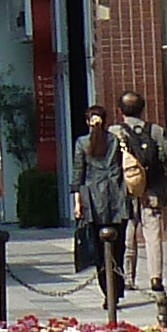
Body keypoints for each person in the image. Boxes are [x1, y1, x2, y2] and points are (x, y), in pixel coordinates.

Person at [109, 89, 167, 308]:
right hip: (153, 190)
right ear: (143, 109)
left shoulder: (115, 132)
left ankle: (128, 276)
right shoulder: (155, 130)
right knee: (153, 236)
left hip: (126, 192)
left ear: (120, 111)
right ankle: (156, 279)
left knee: (128, 233)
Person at [73, 104, 131, 317]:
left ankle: (108, 292)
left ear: (88, 121)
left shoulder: (82, 143)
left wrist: (77, 202)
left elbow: (78, 174)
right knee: (118, 248)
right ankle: (117, 288)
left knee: (99, 251)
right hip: (116, 200)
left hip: (93, 202)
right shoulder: (114, 141)